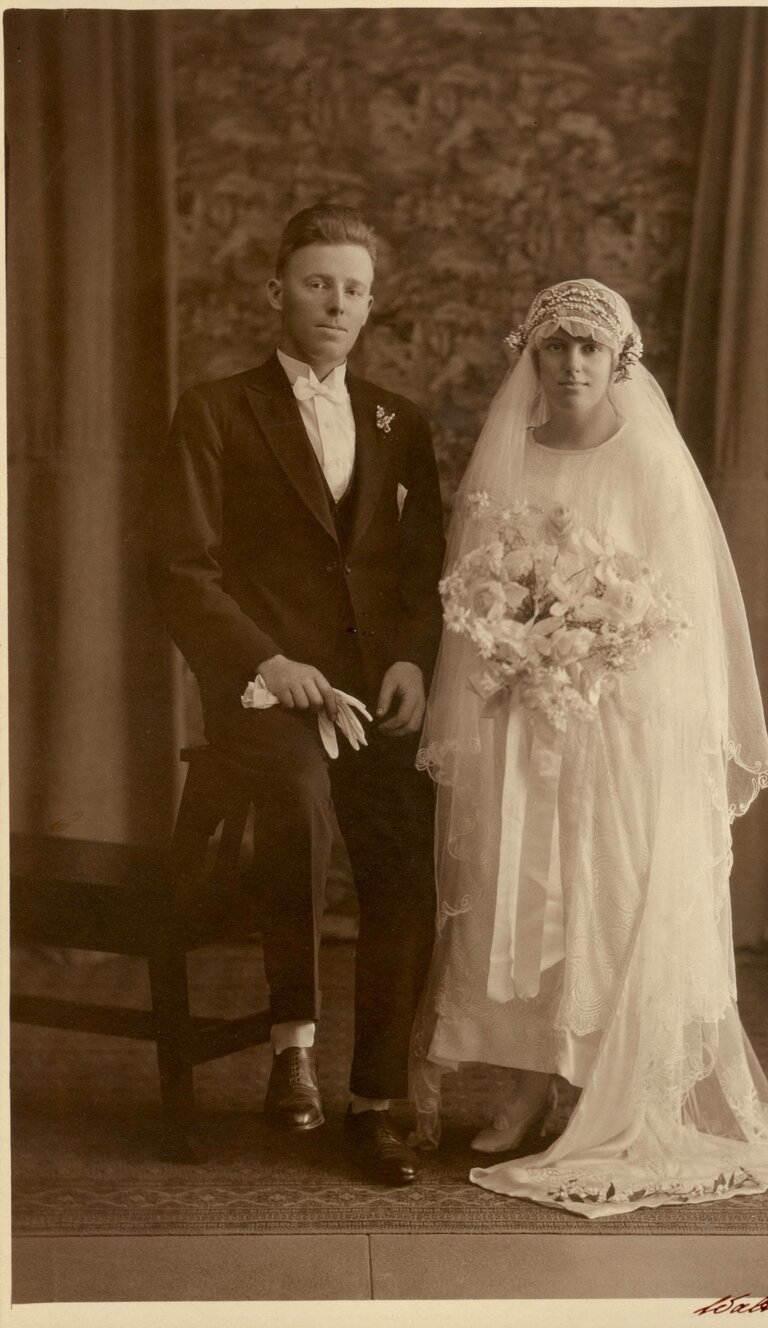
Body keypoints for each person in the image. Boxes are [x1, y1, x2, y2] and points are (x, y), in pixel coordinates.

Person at [410, 279, 768, 1216]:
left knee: (602, 893)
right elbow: (473, 592)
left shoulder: (647, 463)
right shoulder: (507, 459)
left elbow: (675, 615)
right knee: (525, 891)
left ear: (618, 365)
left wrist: (596, 644)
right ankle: (528, 1080)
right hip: (528, 712)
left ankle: (591, 1088)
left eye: (589, 351)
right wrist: (515, 645)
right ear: (532, 356)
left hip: (619, 721)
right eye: (555, 347)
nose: (570, 365)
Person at [148, 202, 445, 1185]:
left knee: (407, 847)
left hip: (370, 699)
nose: (336, 302)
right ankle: (293, 1041)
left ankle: (379, 1099)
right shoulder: (215, 409)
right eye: (318, 282)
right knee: (299, 796)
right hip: (263, 697)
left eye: (354, 287)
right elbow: (180, 568)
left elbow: (418, 567)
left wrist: (406, 660)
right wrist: (267, 664)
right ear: (276, 290)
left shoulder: (399, 420)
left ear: (371, 304)